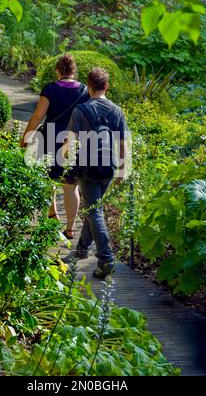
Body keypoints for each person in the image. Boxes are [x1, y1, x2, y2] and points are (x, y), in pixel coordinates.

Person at [63, 67, 128, 278]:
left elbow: (70, 143)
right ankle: (82, 248)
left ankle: (106, 258)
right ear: (107, 86)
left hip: (88, 166)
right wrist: (122, 171)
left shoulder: (81, 110)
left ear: (88, 87)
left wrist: (64, 158)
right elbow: (123, 144)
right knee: (94, 207)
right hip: (108, 167)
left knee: (94, 212)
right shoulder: (117, 111)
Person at [20, 54, 89, 238]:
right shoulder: (84, 91)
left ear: (58, 70)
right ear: (74, 70)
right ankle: (71, 228)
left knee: (48, 178)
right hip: (73, 141)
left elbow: (37, 116)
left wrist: (26, 136)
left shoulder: (50, 89)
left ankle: (53, 212)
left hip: (50, 138)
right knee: (70, 184)